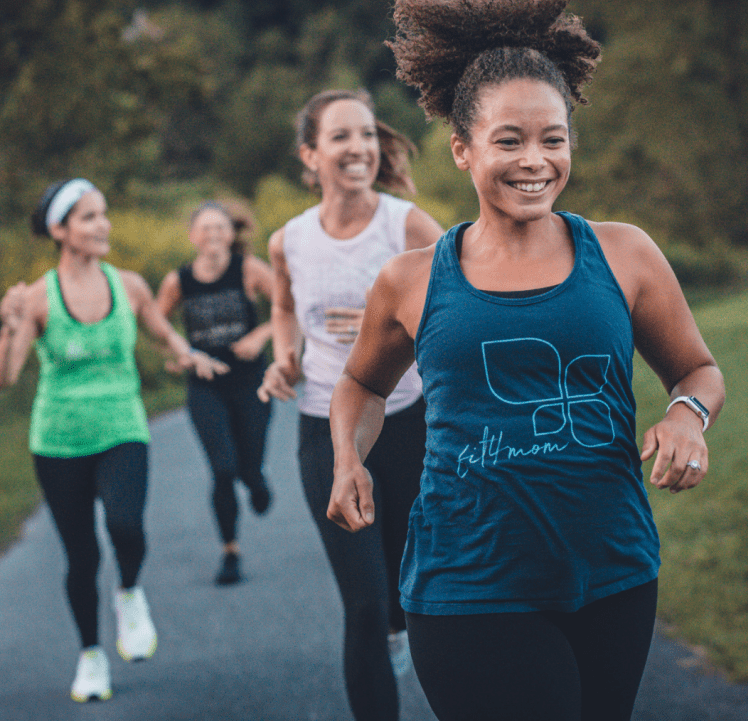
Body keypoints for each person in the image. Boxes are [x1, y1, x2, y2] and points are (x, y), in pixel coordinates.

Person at [326, 0, 726, 721]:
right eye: (508, 140)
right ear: (461, 149)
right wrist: (349, 456)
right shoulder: (410, 281)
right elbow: (362, 386)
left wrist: (685, 417)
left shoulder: (624, 254)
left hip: (612, 573)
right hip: (467, 582)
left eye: (553, 138)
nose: (535, 160)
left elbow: (698, 369)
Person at [0, 180, 228, 703]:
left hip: (123, 426)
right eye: (87, 217)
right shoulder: (37, 297)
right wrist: (10, 325)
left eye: (103, 213)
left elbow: (159, 331)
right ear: (59, 231)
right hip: (58, 440)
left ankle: (128, 592)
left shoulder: (128, 285)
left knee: (126, 527)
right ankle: (91, 657)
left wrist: (186, 353)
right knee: (80, 557)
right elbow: (7, 376)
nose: (102, 224)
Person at [257, 89, 443, 721]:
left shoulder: (406, 225)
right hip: (326, 430)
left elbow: (463, 305)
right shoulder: (289, 240)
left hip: (410, 424)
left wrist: (383, 309)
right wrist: (284, 355)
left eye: (366, 133)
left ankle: (398, 623)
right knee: (362, 602)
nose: (360, 147)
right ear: (311, 155)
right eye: (340, 136)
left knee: (404, 589)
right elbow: (284, 309)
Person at [156, 201, 274, 585]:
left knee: (249, 466)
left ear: (231, 233)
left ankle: (256, 480)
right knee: (223, 469)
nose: (213, 236)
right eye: (205, 229)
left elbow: (289, 306)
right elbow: (157, 327)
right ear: (193, 237)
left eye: (220, 228)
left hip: (251, 383)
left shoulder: (249, 270)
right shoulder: (179, 281)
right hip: (206, 388)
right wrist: (181, 356)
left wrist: (261, 335)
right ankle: (230, 552)